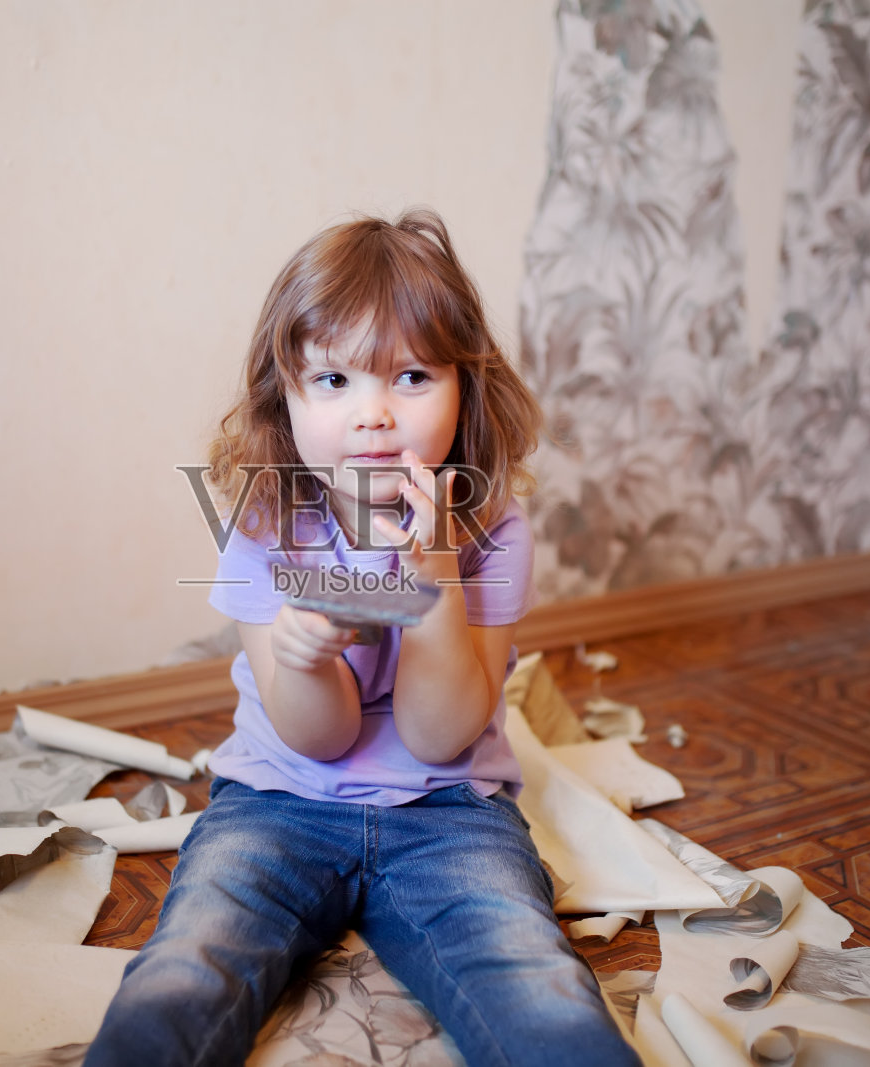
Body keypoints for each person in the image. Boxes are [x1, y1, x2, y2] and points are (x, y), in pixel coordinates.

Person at [84, 209, 640, 1067]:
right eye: (335, 381)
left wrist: (437, 572)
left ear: (467, 389)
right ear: (288, 397)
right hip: (278, 797)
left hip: (449, 808)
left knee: (537, 984)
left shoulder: (493, 531)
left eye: (412, 376)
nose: (374, 415)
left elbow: (438, 731)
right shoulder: (268, 525)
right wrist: (303, 655)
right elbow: (323, 733)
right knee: (187, 970)